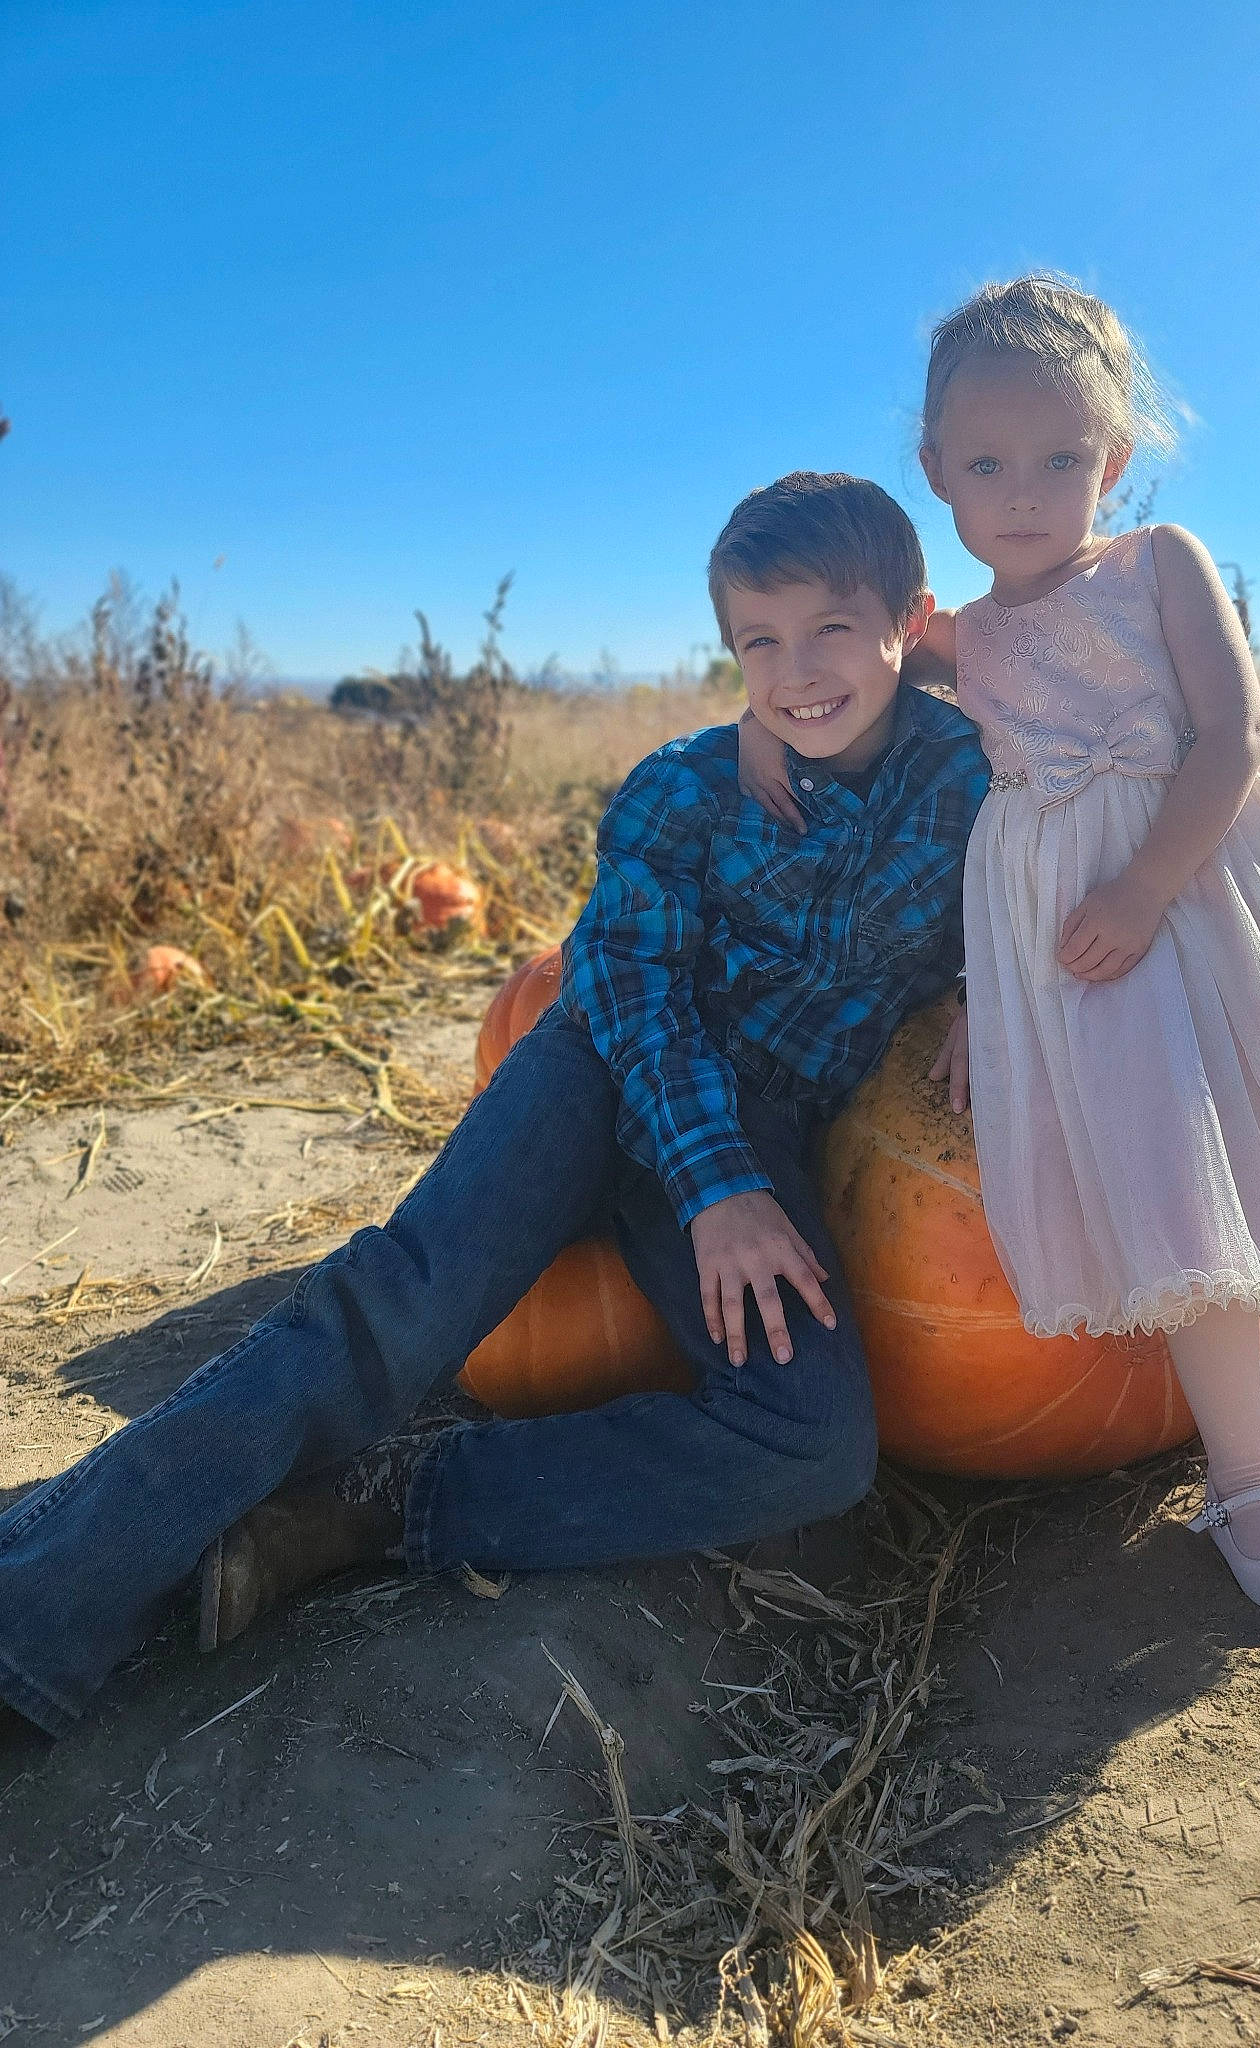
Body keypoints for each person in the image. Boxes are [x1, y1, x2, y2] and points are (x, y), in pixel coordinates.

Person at [0, 473, 991, 1740]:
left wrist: (982, 982)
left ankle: (387, 1500)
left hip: (773, 1121)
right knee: (396, 1305)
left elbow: (1096, 730)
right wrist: (720, 1190)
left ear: (908, 618)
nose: (795, 673)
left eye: (831, 630)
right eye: (760, 642)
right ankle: (31, 1611)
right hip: (604, 1076)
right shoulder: (680, 789)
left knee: (816, 1446)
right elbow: (629, 991)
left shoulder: (967, 776)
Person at [741, 277, 1260, 1624]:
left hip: (1214, 887)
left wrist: (1149, 882)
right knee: (1186, 1196)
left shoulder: (1159, 561)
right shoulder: (962, 638)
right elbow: (840, 658)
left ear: (1113, 457)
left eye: (1062, 457)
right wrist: (764, 726)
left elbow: (1235, 736)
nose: (1025, 489)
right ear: (935, 473)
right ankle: (1242, 1475)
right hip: (1083, 951)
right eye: (986, 462)